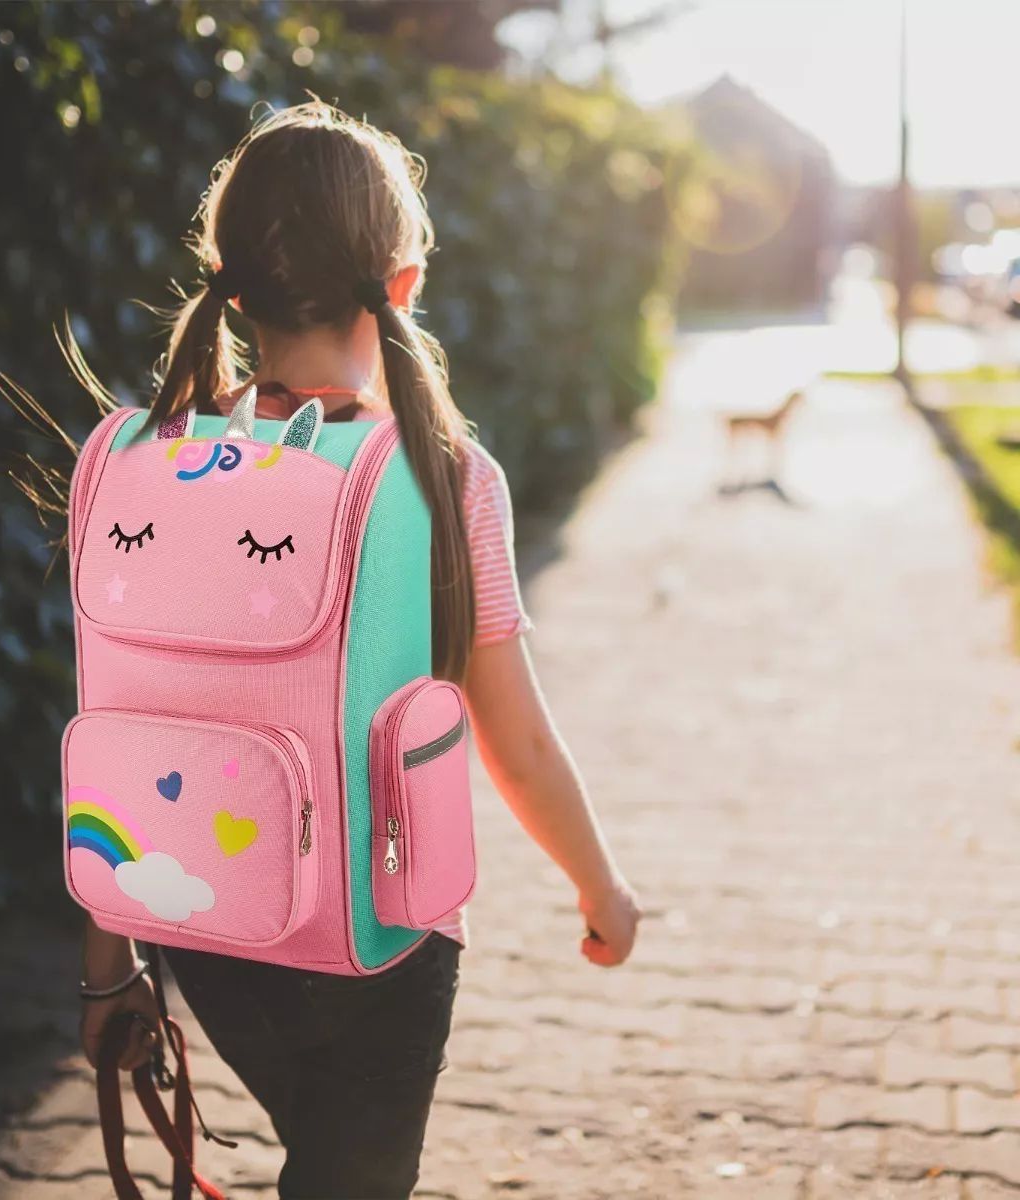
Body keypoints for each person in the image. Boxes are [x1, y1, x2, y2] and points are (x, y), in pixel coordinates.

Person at [76, 100, 642, 1200]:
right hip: (380, 940)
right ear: (404, 278)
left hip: (202, 917)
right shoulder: (447, 479)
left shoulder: (158, 466)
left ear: (230, 280)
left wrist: (109, 971)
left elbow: (126, 720)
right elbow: (514, 738)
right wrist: (600, 886)